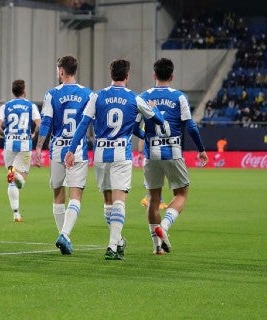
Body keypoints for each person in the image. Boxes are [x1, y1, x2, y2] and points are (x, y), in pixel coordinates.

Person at [65, 59, 165, 260]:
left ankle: (118, 241)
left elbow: (83, 125)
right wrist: (153, 109)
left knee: (108, 202)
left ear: (111, 74)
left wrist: (71, 149)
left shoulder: (97, 96)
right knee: (119, 201)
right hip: (121, 155)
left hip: (101, 155)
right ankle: (112, 246)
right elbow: (159, 121)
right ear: (127, 76)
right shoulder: (134, 99)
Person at [138, 58, 208, 255]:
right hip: (173, 151)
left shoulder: (143, 97)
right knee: (181, 193)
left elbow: (135, 126)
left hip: (151, 154)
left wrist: (146, 137)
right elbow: (191, 126)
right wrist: (201, 149)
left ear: (154, 76)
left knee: (153, 199)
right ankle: (165, 227)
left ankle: (157, 247)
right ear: (172, 76)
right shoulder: (179, 97)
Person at [33, 56, 92, 255]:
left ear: (61, 71)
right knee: (76, 195)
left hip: (57, 150)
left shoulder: (52, 94)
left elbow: (46, 123)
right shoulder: (87, 94)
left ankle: (62, 234)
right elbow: (89, 123)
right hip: (77, 151)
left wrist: (39, 148)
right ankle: (64, 234)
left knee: (58, 194)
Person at [0, 79, 41, 222]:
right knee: (21, 181)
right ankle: (16, 174)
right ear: (24, 90)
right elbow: (39, 124)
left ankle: (16, 213)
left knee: (11, 181)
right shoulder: (30, 106)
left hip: (9, 145)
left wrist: (5, 134)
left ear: (13, 91)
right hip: (24, 145)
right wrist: (33, 134)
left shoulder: (6, 106)